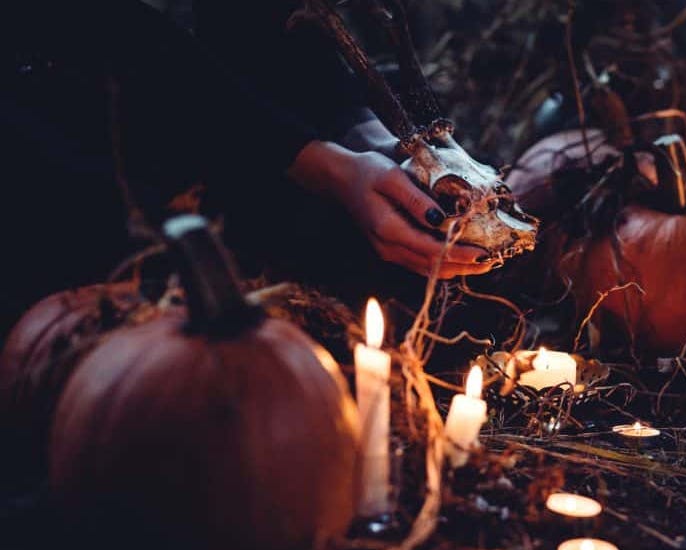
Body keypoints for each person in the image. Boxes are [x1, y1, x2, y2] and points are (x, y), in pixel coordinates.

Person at [1, 0, 489, 331]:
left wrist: (377, 138)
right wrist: (321, 162)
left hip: (242, 131)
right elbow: (108, 33)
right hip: (54, 145)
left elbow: (267, 22)